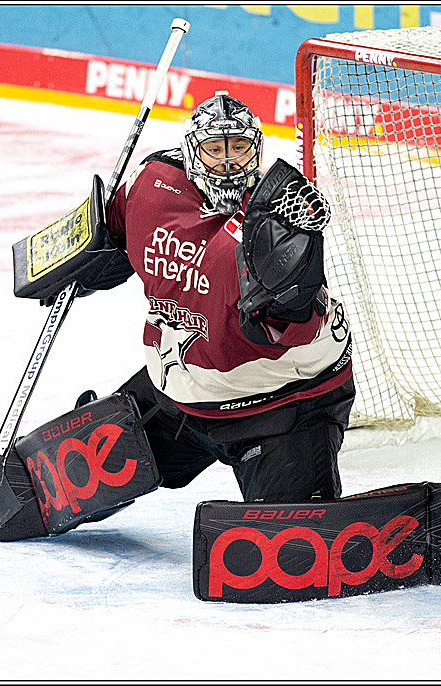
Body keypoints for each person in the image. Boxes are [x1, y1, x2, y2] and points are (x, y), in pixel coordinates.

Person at [95, 91, 354, 503]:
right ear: (191, 153)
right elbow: (108, 230)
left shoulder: (279, 223)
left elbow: (296, 327)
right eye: (215, 150)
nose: (229, 162)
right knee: (79, 471)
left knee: (291, 538)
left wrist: (287, 289)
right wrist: (76, 255)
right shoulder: (152, 184)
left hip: (282, 403)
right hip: (184, 391)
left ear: (257, 150)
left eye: (239, 148)